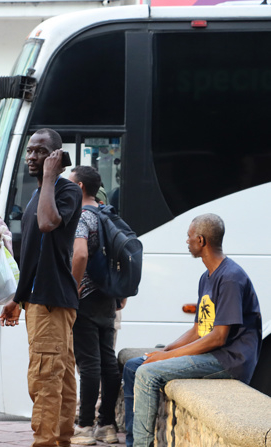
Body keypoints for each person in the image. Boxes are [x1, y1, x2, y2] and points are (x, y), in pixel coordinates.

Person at [123, 213, 262, 447]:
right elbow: (199, 329)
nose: (186, 242)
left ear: (201, 240)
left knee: (148, 374)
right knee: (133, 366)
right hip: (212, 353)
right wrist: (165, 350)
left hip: (228, 359)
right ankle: (130, 441)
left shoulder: (230, 278)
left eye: (188, 237)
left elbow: (218, 337)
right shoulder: (206, 277)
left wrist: (165, 358)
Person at [1, 128, 82, 447]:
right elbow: (32, 255)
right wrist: (18, 299)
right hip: (39, 299)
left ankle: (46, 442)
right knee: (59, 374)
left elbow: (49, 224)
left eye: (41, 151)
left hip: (52, 300)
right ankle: (59, 440)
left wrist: (50, 177)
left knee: (45, 376)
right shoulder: (38, 194)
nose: (32, 157)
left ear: (57, 157)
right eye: (30, 151)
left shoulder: (65, 191)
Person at [67, 166, 120, 445]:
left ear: (78, 188)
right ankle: (107, 425)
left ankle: (85, 426)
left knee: (88, 364)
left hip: (86, 297)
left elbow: (80, 253)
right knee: (107, 361)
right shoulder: (107, 213)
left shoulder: (82, 216)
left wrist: (74, 288)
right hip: (107, 296)